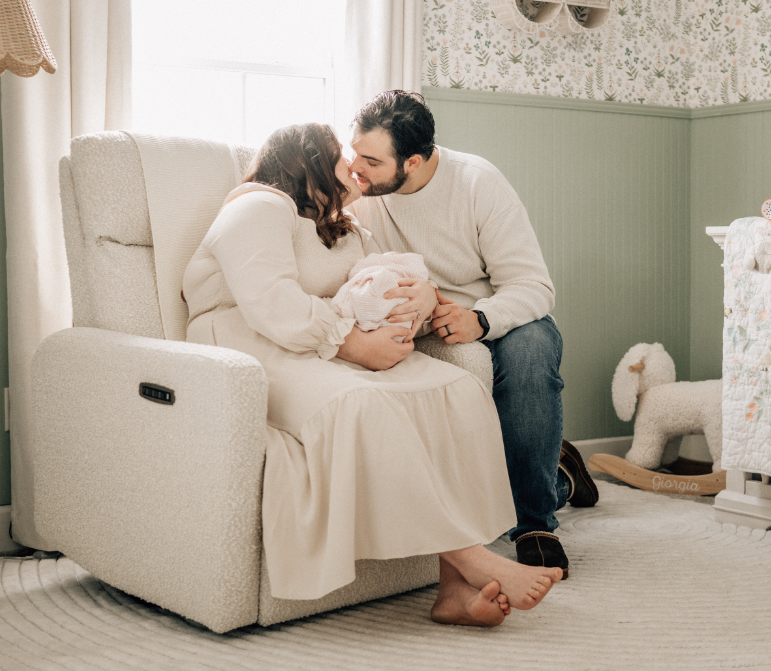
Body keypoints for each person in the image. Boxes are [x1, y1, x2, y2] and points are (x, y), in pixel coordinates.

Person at [182, 123, 562, 626]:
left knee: (455, 390)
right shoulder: (257, 206)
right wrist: (352, 344)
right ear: (310, 161)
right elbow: (271, 303)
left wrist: (423, 304)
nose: (354, 166)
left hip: (320, 342)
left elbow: (376, 286)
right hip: (246, 344)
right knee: (361, 403)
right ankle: (470, 556)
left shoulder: (345, 227)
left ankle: (452, 591)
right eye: (343, 156)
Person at [347, 91, 599, 578]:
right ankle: (561, 472)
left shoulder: (477, 183)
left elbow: (533, 286)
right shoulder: (364, 193)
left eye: (371, 160)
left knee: (530, 353)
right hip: (422, 318)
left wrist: (479, 319)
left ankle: (535, 524)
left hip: (493, 314)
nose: (355, 167)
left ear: (414, 162)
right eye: (353, 150)